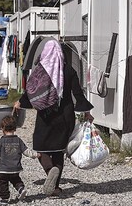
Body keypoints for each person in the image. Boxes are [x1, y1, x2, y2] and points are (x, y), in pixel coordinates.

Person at [13, 40, 93, 197]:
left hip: (45, 115)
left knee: (40, 147)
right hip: (65, 116)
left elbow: (31, 91)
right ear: (60, 52)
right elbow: (78, 94)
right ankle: (55, 187)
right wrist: (86, 112)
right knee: (58, 150)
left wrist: (19, 103)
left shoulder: (40, 71)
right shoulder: (69, 70)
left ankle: (50, 170)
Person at [0, 115, 40, 205]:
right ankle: (21, 189)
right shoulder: (18, 140)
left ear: (2, 129)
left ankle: (4, 199)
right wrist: (36, 155)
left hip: (4, 169)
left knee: (2, 183)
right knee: (16, 180)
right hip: (15, 168)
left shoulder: (1, 141)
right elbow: (26, 151)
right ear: (15, 128)